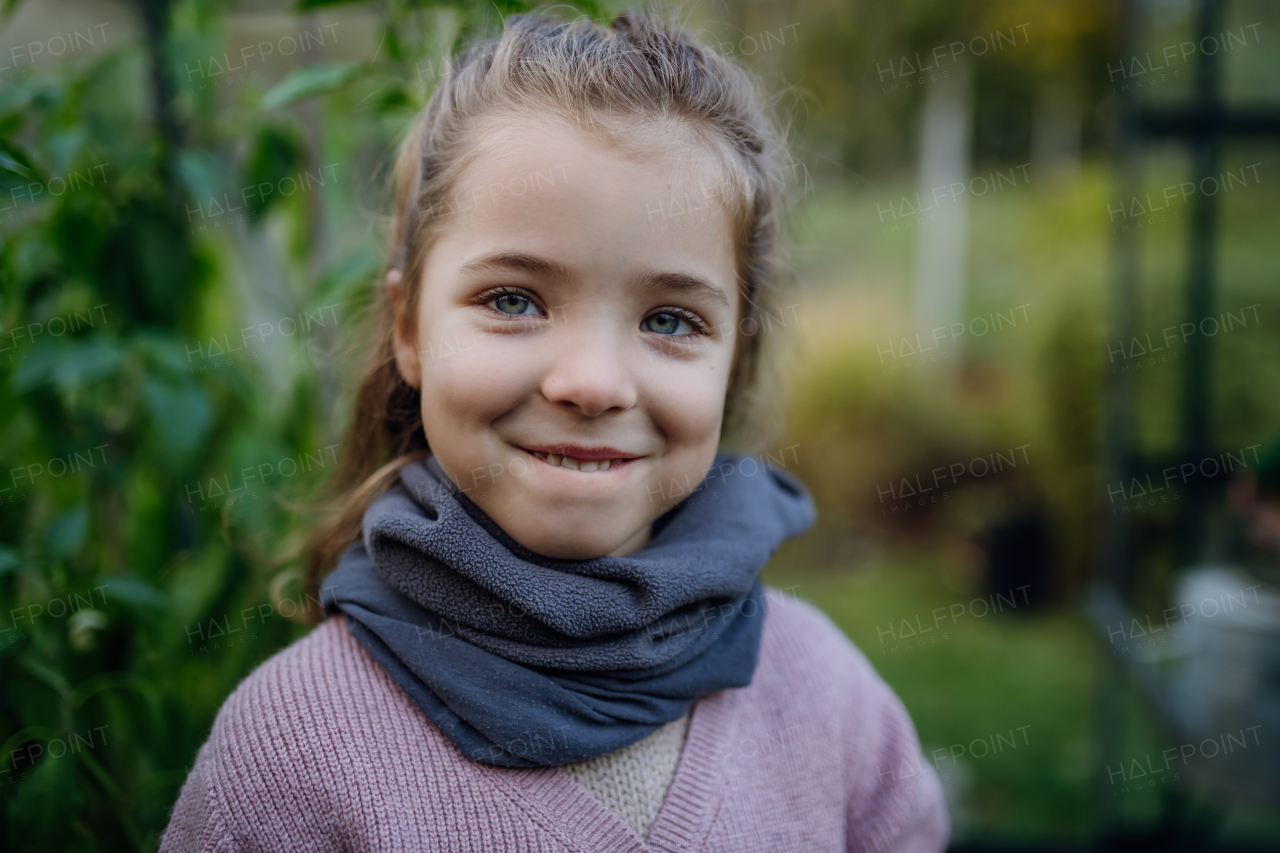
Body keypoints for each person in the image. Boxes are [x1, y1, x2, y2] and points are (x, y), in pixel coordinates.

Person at [160, 10, 948, 851]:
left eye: (672, 319)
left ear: (733, 356)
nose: (593, 383)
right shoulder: (291, 754)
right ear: (409, 329)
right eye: (514, 300)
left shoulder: (827, 702)